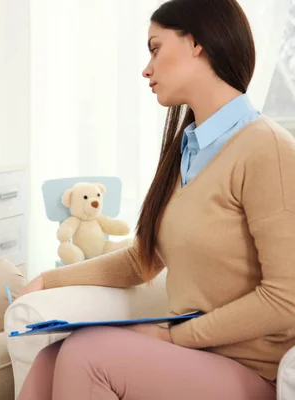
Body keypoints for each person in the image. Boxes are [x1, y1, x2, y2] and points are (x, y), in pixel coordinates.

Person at [18, 0, 295, 398]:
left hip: (252, 372)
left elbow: (286, 298)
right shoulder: (188, 150)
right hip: (198, 356)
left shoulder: (268, 149)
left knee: (86, 355)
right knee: (50, 358)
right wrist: (47, 280)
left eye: (155, 48)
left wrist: (177, 335)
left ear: (197, 42)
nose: (146, 69)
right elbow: (143, 258)